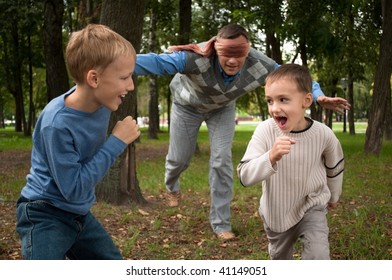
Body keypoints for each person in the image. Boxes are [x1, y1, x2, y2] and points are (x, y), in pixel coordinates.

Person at [134, 24, 349, 241]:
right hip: (187, 106)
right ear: (217, 49)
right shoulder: (193, 57)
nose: (233, 61)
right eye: (227, 54)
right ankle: (172, 185)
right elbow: (157, 62)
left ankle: (221, 223)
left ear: (247, 51)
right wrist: (114, 64)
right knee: (179, 158)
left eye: (239, 55)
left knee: (221, 160)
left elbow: (293, 77)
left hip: (222, 109)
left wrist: (319, 96)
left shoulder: (260, 63)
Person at [16, 24, 140, 260]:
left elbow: (135, 63)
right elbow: (72, 189)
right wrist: (116, 142)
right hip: (45, 213)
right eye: (125, 78)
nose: (131, 85)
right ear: (94, 78)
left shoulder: (101, 94)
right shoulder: (57, 124)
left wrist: (189, 57)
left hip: (78, 214)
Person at [237, 64, 344, 259]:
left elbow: (334, 167)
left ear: (306, 100)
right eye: (270, 101)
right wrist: (270, 157)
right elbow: (244, 175)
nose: (275, 108)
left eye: (283, 100)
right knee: (280, 260)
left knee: (318, 255)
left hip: (312, 206)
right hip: (277, 212)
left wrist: (334, 196)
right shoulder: (265, 131)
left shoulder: (323, 135)